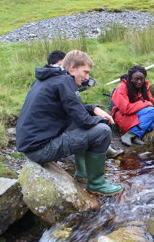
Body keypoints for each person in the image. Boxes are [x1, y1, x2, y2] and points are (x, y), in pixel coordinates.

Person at [16, 50, 123, 196]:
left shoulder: (48, 78)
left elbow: (73, 110)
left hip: (30, 146)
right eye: (85, 72)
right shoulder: (64, 81)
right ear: (72, 67)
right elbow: (84, 121)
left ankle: (83, 173)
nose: (87, 78)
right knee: (102, 131)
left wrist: (94, 108)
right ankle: (97, 183)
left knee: (80, 124)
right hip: (40, 150)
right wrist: (104, 120)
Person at [110, 65, 154, 146]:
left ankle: (137, 135)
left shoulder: (144, 86)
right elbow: (126, 109)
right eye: (136, 79)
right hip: (123, 115)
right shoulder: (122, 87)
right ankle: (128, 135)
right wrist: (144, 104)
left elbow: (151, 104)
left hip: (136, 112)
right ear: (130, 78)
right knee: (153, 111)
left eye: (141, 79)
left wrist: (146, 105)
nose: (139, 82)